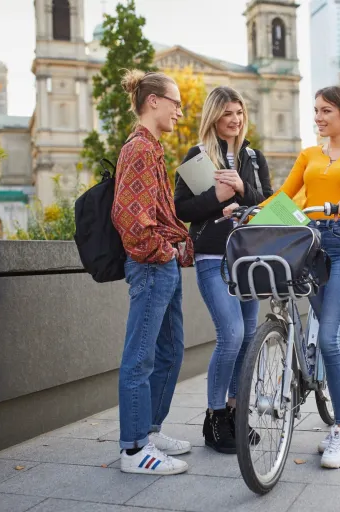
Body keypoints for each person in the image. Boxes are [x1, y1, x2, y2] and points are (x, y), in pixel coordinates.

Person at [226, 84, 340, 469]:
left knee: (331, 340)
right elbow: (283, 198)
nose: (318, 117)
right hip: (310, 248)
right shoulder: (310, 154)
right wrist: (247, 210)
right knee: (323, 337)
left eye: (326, 110)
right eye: (315, 110)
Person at [174, 86, 273, 454]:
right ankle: (214, 417)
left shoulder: (253, 156)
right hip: (213, 255)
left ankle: (234, 412)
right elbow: (181, 210)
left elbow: (268, 205)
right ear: (214, 116)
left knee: (248, 335)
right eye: (229, 112)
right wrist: (216, 201)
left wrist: (243, 189)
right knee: (230, 333)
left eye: (240, 113)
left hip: (247, 257)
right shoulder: (198, 156)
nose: (236, 119)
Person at [111, 69, 195, 475]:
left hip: (162, 265)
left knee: (170, 349)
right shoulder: (140, 149)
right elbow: (128, 217)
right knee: (140, 357)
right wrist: (162, 252)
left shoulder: (153, 148)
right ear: (153, 102)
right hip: (151, 266)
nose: (180, 110)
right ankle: (133, 450)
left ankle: (150, 430)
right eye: (175, 102)